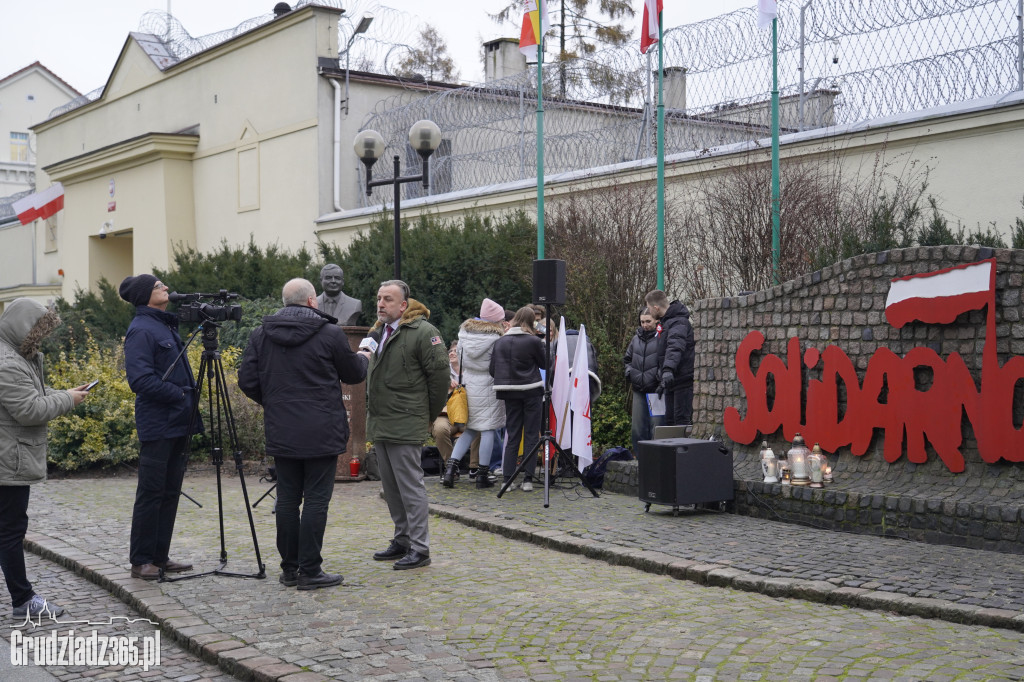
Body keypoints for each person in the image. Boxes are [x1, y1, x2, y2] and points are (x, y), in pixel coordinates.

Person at [238, 278, 368, 590]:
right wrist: (363, 356)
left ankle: (289, 569)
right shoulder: (330, 333)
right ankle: (310, 570)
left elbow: (246, 380)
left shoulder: (261, 334)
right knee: (316, 499)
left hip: (283, 428)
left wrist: (274, 403)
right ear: (312, 301)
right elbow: (353, 374)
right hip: (322, 428)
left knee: (287, 498)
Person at [0, 299, 89, 619]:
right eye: (37, 331)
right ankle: (23, 600)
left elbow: (33, 393)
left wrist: (65, 393)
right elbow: (30, 410)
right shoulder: (8, 363)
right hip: (9, 461)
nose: (40, 338)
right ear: (23, 327)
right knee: (10, 531)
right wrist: (68, 400)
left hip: (9, 458)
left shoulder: (15, 356)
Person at [362, 280, 448, 570]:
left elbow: (439, 377)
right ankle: (402, 539)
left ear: (403, 305)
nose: (380, 303)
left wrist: (428, 415)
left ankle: (420, 548)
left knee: (410, 487)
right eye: (379, 298)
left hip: (407, 420)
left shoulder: (424, 332)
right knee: (391, 488)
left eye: (388, 299)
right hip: (382, 420)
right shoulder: (379, 331)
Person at [120, 274, 201, 580]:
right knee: (151, 492)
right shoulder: (141, 329)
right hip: (158, 423)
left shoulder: (162, 324)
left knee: (169, 492)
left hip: (177, 421)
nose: (166, 287)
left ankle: (159, 557)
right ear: (146, 295)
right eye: (158, 286)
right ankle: (141, 561)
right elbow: (140, 380)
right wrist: (178, 395)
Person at [441, 299, 506, 489]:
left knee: (469, 430)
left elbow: (461, 359)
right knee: (488, 430)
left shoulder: (464, 335)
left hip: (469, 384)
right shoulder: (497, 338)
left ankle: (450, 470)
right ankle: (482, 475)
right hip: (489, 385)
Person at [489, 306, 545, 491]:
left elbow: (492, 370)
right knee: (531, 435)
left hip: (509, 392)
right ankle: (528, 479)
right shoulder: (534, 341)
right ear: (531, 321)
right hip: (531, 390)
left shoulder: (500, 342)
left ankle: (507, 479)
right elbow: (546, 364)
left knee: (512, 435)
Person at [644, 289, 695, 427]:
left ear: (656, 308)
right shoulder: (666, 322)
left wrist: (668, 369)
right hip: (672, 381)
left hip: (682, 380)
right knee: (670, 422)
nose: (649, 311)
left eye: (649, 308)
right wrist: (663, 378)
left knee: (681, 421)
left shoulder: (678, 322)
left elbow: (675, 346)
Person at [430, 341, 480, 480]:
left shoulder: (472, 372)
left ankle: (474, 468)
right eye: (450, 351)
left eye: (455, 351)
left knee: (479, 428)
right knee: (439, 429)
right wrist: (444, 384)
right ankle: (451, 467)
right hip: (446, 414)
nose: (451, 353)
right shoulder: (442, 372)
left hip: (468, 415)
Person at [624, 307, 663, 451]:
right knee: (637, 429)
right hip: (638, 390)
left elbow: (666, 360)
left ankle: (657, 459)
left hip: (656, 391)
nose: (645, 325)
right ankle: (641, 460)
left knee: (657, 428)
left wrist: (658, 377)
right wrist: (630, 373)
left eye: (648, 321)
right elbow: (627, 359)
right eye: (642, 322)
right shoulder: (635, 339)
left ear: (656, 321)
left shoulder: (661, 338)